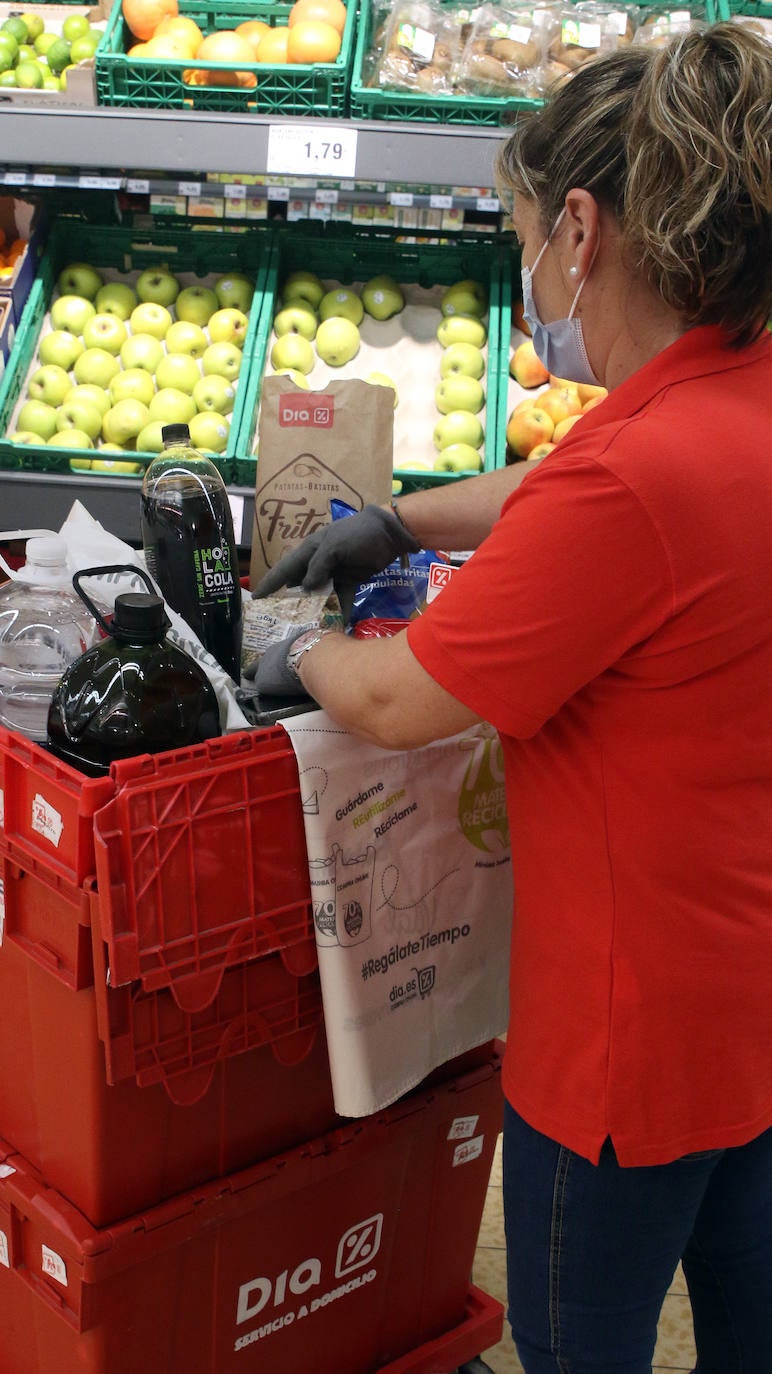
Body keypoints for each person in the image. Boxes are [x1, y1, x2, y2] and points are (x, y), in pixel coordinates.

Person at [249, 23, 772, 1374]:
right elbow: (567, 488)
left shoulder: (635, 478)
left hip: (623, 1046)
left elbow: (404, 700)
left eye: (523, 232)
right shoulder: (729, 391)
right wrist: (395, 520)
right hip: (749, 1000)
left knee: (577, 1342)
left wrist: (293, 644)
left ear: (582, 228)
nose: (525, 263)